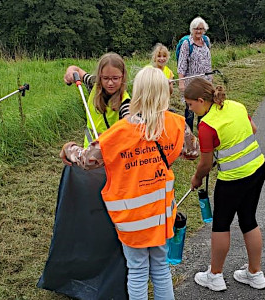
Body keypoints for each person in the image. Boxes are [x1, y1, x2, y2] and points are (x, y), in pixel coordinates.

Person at [60, 67, 199, 299]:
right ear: (165, 93)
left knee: (137, 271)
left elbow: (87, 160)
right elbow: (193, 151)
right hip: (162, 213)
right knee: (161, 269)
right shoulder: (176, 124)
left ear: (138, 92)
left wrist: (69, 149)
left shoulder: (120, 132)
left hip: (131, 216)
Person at [184, 78, 265, 292]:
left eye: (190, 104)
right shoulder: (236, 105)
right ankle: (255, 273)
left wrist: (196, 179)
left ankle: (215, 275)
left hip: (232, 179)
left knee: (221, 224)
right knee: (249, 219)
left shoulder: (206, 126)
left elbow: (204, 164)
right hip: (257, 169)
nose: (189, 108)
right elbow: (254, 129)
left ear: (201, 100)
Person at [64, 53, 131, 147]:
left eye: (115, 78)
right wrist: (70, 71)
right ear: (100, 77)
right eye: (106, 78)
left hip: (111, 153)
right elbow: (76, 70)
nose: (110, 83)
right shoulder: (94, 83)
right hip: (89, 149)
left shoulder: (125, 101)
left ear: (122, 76)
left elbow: (129, 119)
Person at [177, 16, 213, 131]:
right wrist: (181, 82)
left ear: (204, 30)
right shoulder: (187, 44)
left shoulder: (206, 41)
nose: (198, 31)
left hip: (205, 82)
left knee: (204, 107)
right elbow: (182, 64)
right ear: (191, 29)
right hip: (191, 83)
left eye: (201, 29)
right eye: (196, 28)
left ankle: (202, 131)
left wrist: (210, 78)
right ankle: (189, 133)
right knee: (190, 109)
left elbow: (208, 60)